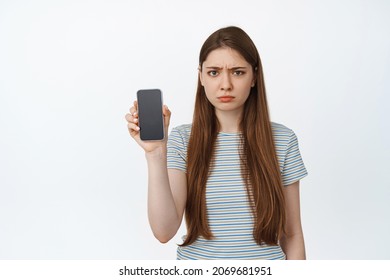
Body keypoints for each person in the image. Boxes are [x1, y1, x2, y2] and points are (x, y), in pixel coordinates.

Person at [125, 26, 308, 260]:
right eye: (214, 72)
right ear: (201, 76)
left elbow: (292, 234)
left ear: (254, 76)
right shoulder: (183, 140)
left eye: (238, 72)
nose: (226, 84)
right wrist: (155, 153)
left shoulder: (282, 140)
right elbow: (164, 231)